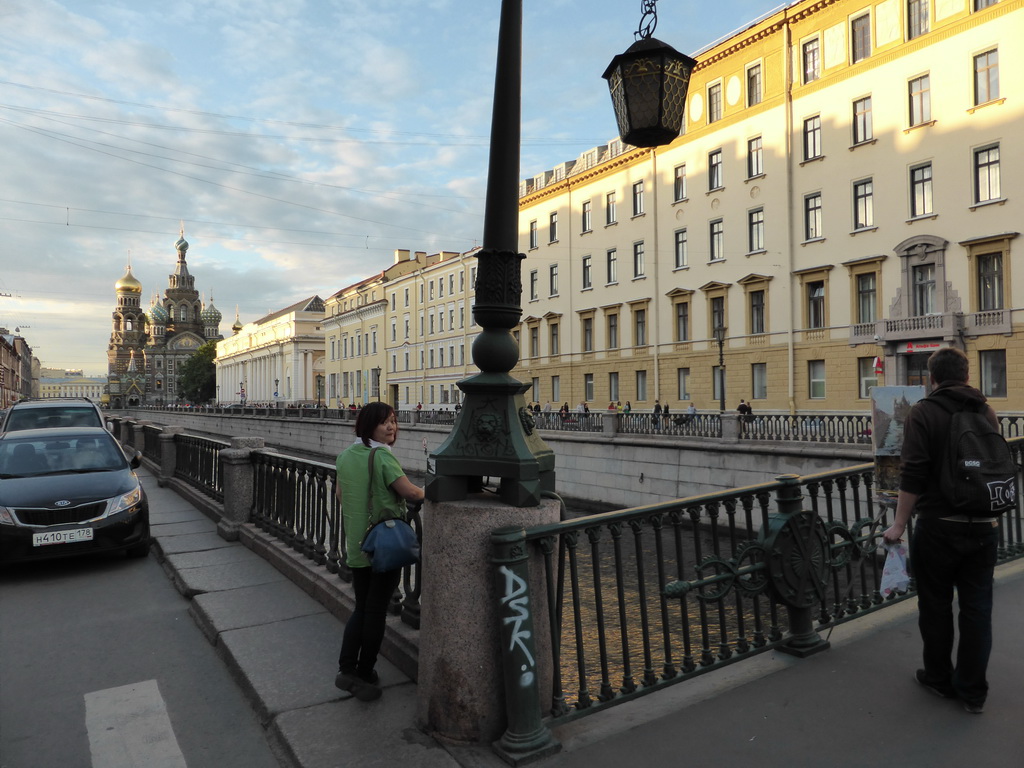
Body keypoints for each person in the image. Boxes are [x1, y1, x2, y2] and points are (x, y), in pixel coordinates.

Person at [882, 347, 999, 715]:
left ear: (932, 377)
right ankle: (973, 691)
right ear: (966, 375)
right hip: (984, 525)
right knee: (977, 609)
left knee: (935, 606)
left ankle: (938, 678)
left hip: (939, 526)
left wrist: (899, 524)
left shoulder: (924, 412)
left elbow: (912, 472)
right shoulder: (985, 410)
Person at [334, 401, 424, 702]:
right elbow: (411, 493)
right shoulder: (383, 457)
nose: (391, 427)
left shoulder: (346, 455)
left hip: (357, 543)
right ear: (369, 425)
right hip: (383, 545)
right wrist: (439, 489)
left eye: (394, 421)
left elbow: (340, 495)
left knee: (361, 607)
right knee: (375, 612)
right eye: (384, 421)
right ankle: (364, 672)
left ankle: (346, 669)